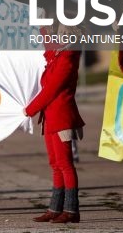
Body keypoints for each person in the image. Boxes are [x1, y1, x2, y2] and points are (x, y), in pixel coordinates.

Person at [24, 23, 85, 224]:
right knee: (55, 164)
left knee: (65, 164)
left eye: (68, 33)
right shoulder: (58, 55)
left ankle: (71, 210)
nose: (64, 36)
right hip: (50, 118)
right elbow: (49, 48)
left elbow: (50, 89)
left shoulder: (68, 59)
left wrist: (29, 110)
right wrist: (42, 28)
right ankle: (55, 208)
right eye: (61, 32)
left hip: (62, 118)